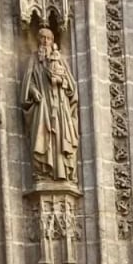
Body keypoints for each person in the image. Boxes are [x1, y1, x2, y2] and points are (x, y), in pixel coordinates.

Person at [23, 27, 80, 183]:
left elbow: (71, 87)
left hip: (60, 107)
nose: (45, 41)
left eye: (48, 38)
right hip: (42, 107)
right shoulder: (34, 60)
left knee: (61, 138)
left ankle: (63, 171)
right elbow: (29, 83)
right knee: (41, 139)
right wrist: (34, 92)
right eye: (42, 38)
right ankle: (42, 171)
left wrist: (61, 82)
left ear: (52, 41)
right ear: (38, 40)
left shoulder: (59, 60)